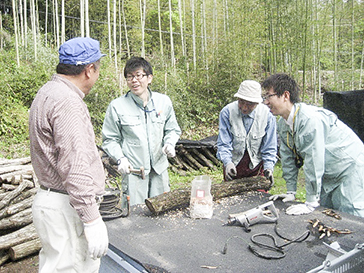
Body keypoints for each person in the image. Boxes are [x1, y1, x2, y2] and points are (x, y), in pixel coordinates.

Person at [29, 37, 109, 272]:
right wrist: (91, 219)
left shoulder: (47, 92)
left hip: (52, 201)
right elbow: (74, 165)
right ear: (89, 70)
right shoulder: (67, 102)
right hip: (66, 206)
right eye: (98, 68)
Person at [262, 73, 364, 217]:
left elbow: (313, 161)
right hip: (328, 176)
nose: (265, 102)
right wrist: (291, 191)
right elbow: (288, 158)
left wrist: (310, 202)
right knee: (327, 216)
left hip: (348, 169)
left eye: (268, 96)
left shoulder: (310, 119)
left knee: (352, 218)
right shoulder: (282, 124)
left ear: (285, 95)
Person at [102, 56, 181, 207]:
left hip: (159, 171)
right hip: (134, 173)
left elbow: (172, 129)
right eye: (130, 77)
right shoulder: (117, 106)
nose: (134, 80)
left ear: (149, 78)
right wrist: (120, 158)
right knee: (135, 217)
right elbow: (110, 139)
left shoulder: (163, 102)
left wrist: (170, 143)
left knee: (162, 211)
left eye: (139, 75)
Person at [216, 80, 278, 185]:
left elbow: (269, 146)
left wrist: (268, 168)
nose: (244, 108)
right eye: (241, 102)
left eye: (249, 104)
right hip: (234, 165)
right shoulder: (227, 112)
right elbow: (223, 143)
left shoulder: (267, 116)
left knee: (258, 198)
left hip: (257, 167)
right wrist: (228, 163)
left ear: (257, 103)